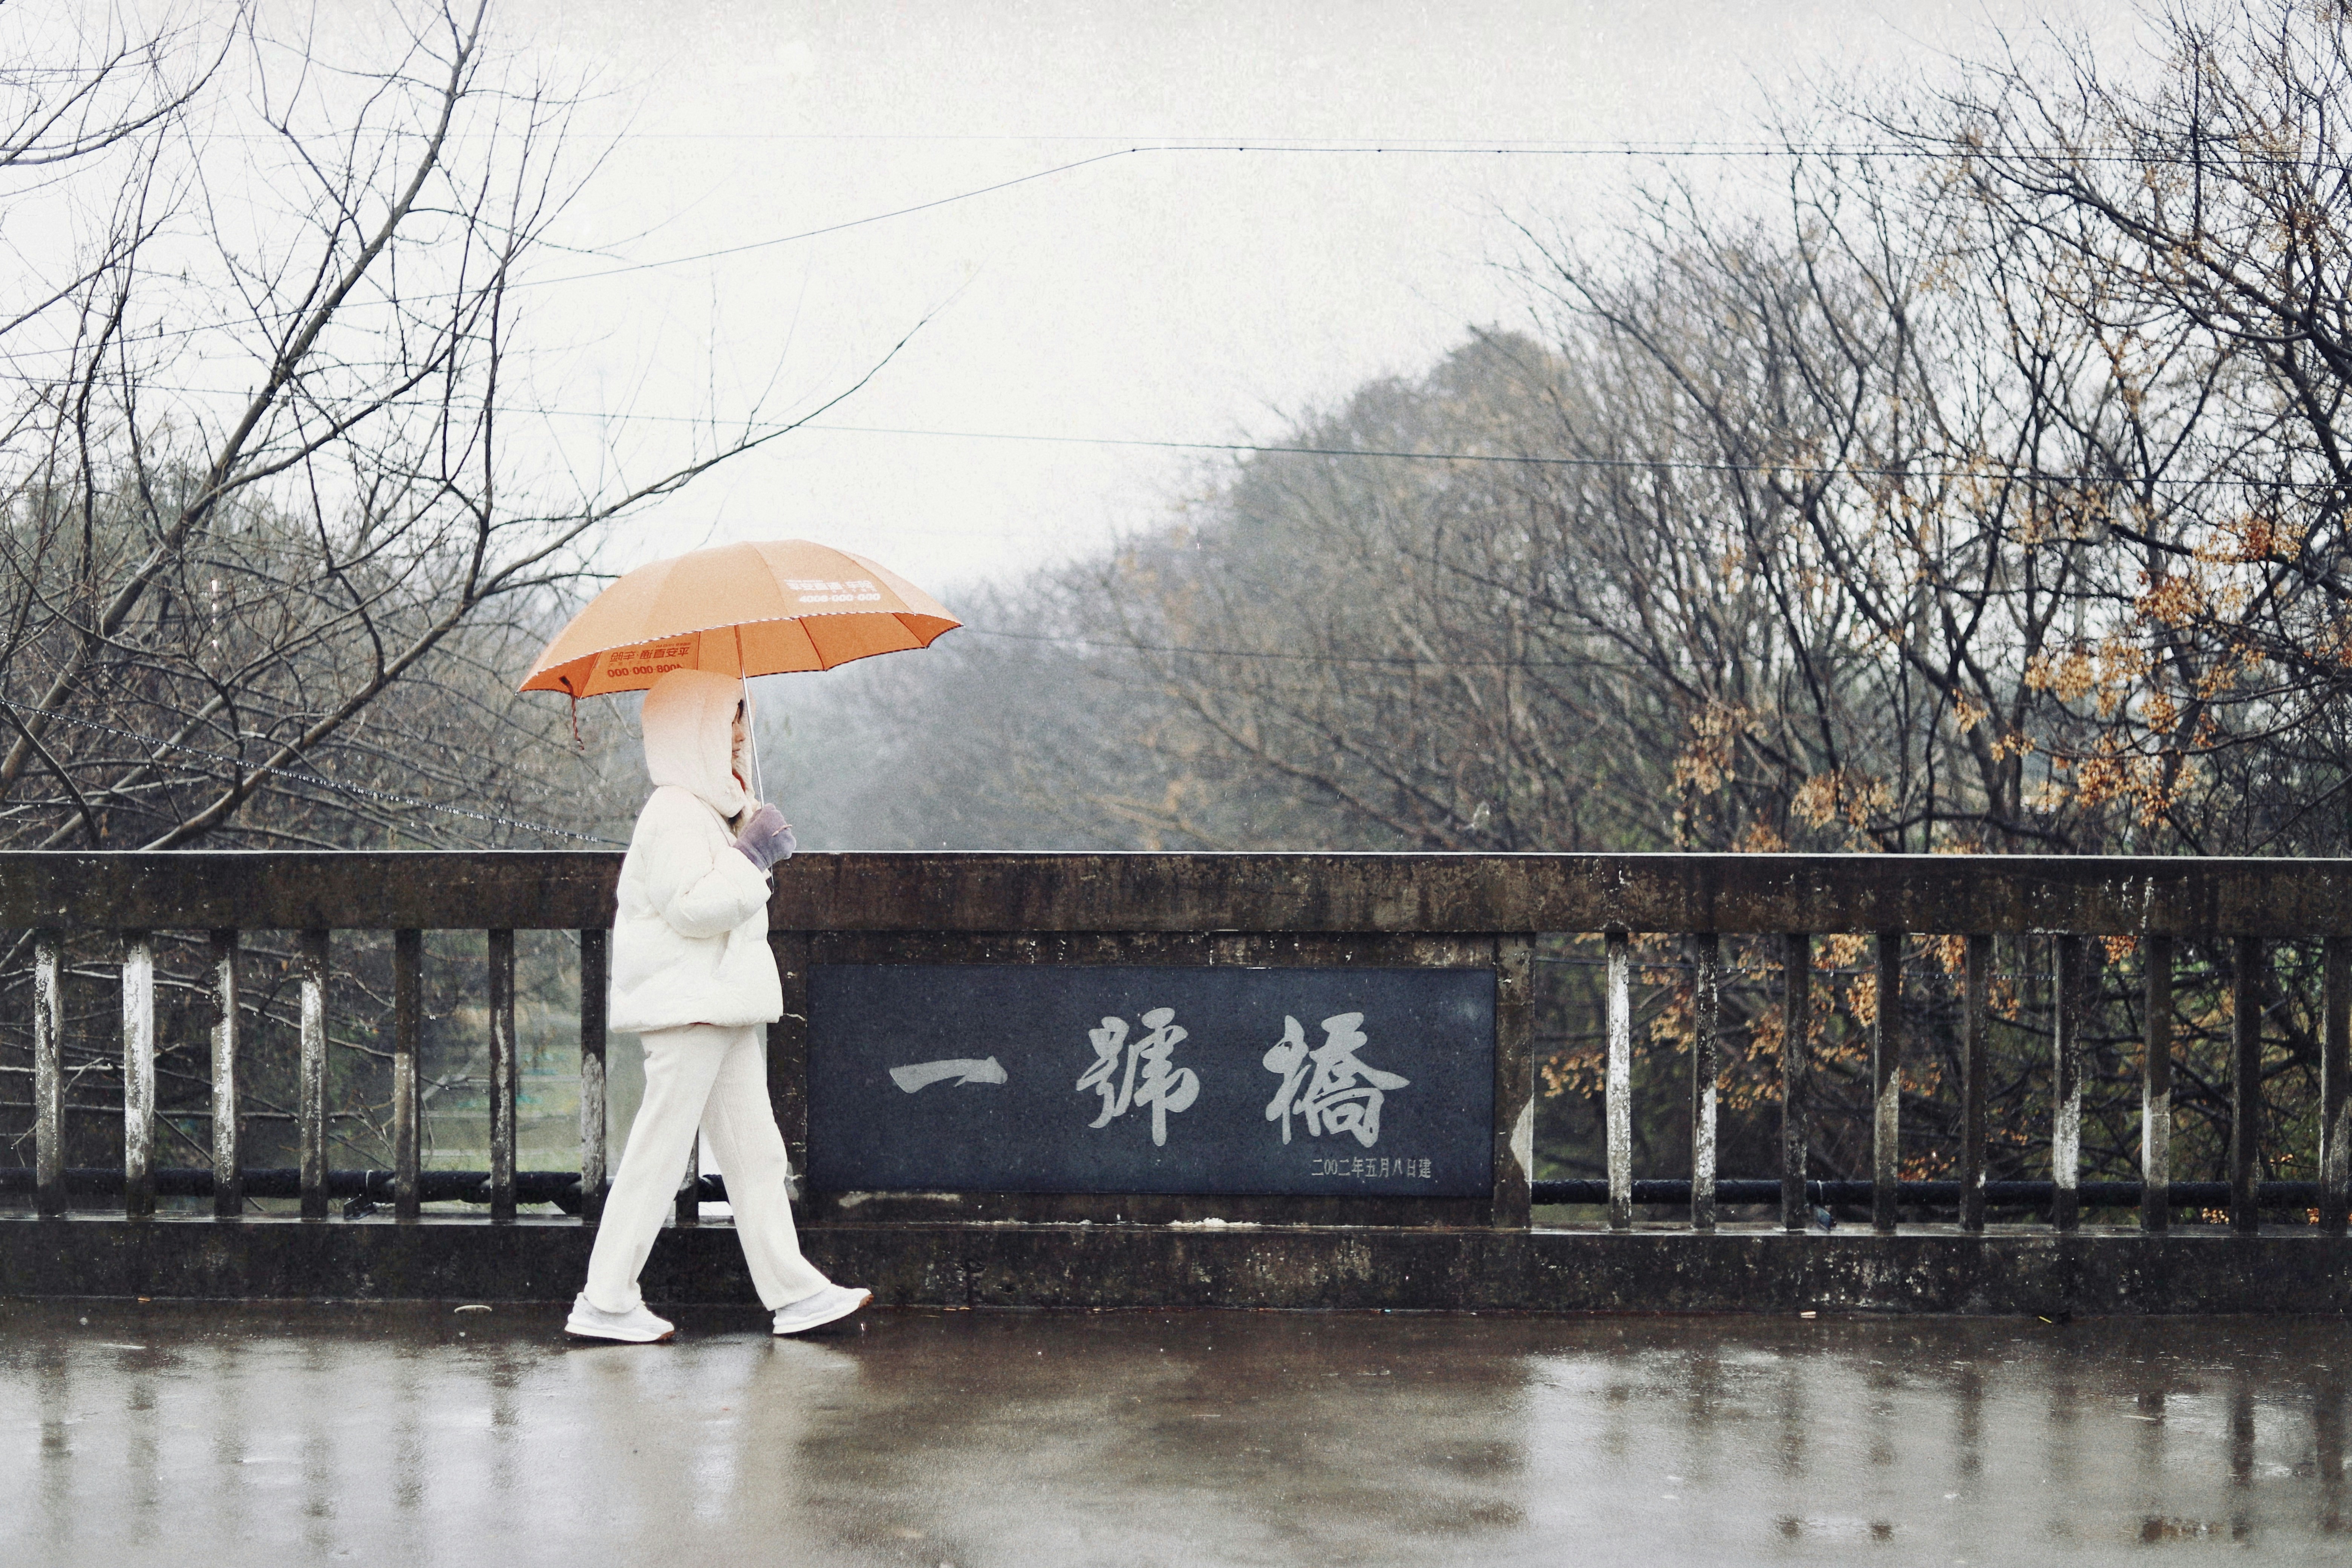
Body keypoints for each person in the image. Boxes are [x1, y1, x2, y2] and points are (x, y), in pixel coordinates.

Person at [566, 666, 869, 1343]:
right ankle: (605, 1299)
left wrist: (747, 842)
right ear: (694, 729)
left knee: (754, 1155)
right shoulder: (673, 811)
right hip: (691, 1009)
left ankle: (793, 1294)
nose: (740, 733)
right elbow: (694, 909)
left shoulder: (700, 809)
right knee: (660, 1153)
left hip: (714, 1005)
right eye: (730, 716)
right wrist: (751, 856)